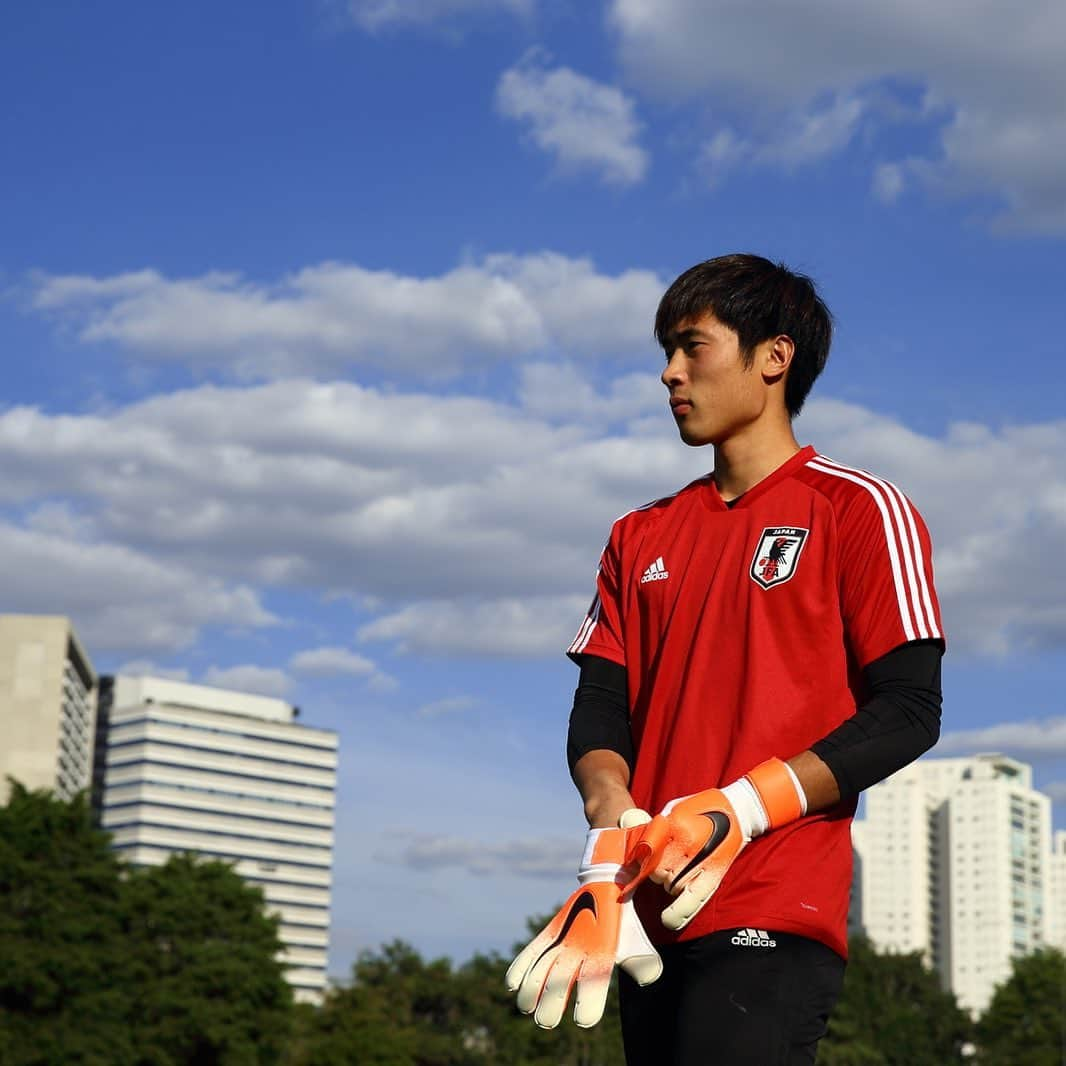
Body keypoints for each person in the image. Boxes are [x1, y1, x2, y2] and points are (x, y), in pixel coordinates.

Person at [506, 254, 945, 1065]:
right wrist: (612, 836)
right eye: (664, 354)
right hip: (643, 920)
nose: (669, 373)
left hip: (772, 908)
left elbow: (910, 711)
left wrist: (737, 809)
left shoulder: (860, 509)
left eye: (691, 347)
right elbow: (600, 707)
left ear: (773, 357)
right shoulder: (637, 534)